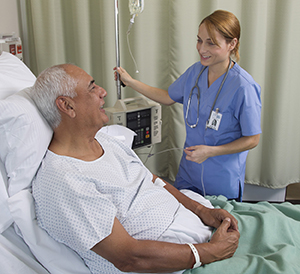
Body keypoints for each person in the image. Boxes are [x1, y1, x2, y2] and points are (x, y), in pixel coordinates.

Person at [30, 64, 239, 274]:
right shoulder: (64, 181)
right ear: (67, 106)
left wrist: (203, 211)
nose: (103, 92)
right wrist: (212, 251)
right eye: (92, 88)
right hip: (170, 262)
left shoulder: (105, 141)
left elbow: (152, 179)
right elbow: (128, 258)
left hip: (195, 228)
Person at [114, 10, 262, 201]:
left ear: (231, 44)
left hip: (221, 178)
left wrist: (211, 151)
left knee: (216, 226)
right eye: (199, 40)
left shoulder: (244, 87)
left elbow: (252, 139)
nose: (202, 49)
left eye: (211, 43)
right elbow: (168, 97)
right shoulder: (196, 72)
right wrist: (131, 81)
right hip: (189, 173)